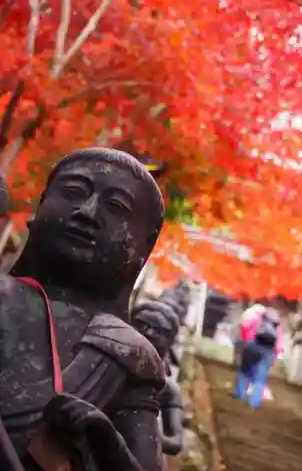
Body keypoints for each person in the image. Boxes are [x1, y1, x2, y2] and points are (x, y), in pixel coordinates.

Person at [1, 148, 167, 471]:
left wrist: (108, 442)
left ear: (144, 246)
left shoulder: (128, 353)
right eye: (73, 192)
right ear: (40, 206)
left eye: (115, 207)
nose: (87, 212)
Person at [132, 301, 184, 456]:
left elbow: (175, 442)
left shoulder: (168, 390)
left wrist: (143, 438)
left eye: (159, 330)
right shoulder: (106, 367)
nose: (148, 333)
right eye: (141, 325)